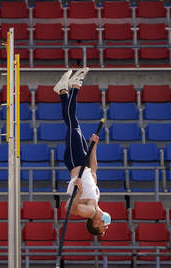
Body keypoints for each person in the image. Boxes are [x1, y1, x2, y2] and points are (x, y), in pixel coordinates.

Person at [53, 68, 111, 236]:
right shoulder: (96, 200)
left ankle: (75, 86)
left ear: (94, 224)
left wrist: (77, 194)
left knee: (73, 123)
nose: (106, 225)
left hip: (75, 162)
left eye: (103, 227)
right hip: (83, 160)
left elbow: (71, 208)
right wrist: (93, 146)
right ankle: (63, 91)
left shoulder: (90, 212)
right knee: (73, 123)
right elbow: (93, 171)